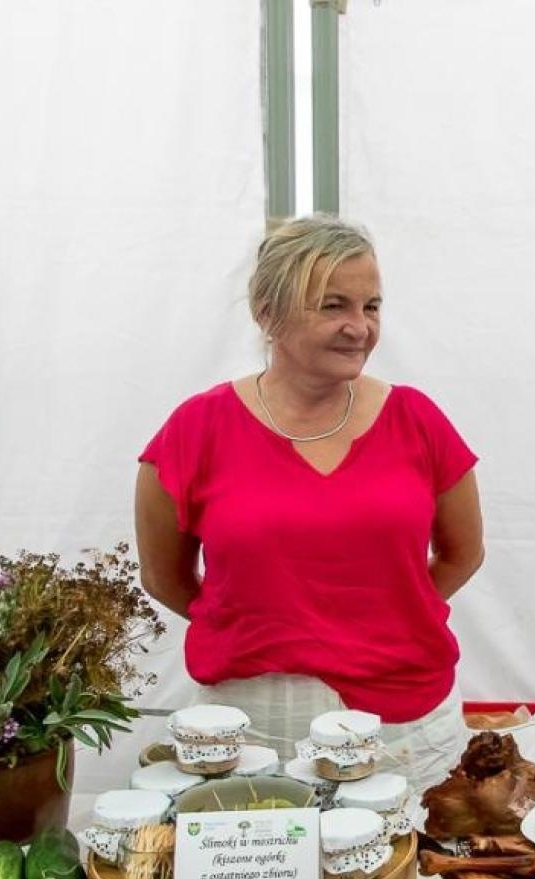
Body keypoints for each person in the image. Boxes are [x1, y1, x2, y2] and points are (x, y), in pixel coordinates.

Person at [135, 216, 485, 790]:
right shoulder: (196, 430)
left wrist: (393, 615)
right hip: (250, 728)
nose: (359, 327)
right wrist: (256, 624)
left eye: (371, 306)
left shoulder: (417, 420)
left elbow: (463, 553)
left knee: (414, 851)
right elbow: (164, 576)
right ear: (267, 313)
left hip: (405, 725)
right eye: (332, 306)